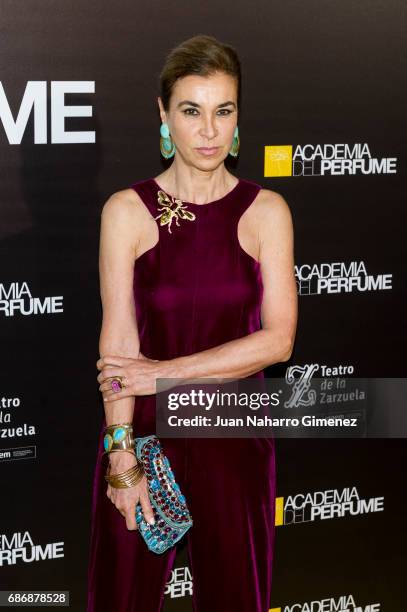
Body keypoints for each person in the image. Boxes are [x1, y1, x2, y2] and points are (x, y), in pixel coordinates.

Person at [86, 34, 298, 612]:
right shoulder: (126, 211)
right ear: (163, 115)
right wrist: (120, 456)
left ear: (237, 118)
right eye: (191, 111)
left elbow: (278, 341)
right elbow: (119, 343)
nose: (209, 131)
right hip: (145, 442)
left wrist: (164, 375)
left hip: (235, 442)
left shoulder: (266, 212)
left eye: (223, 111)